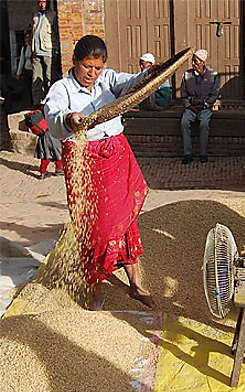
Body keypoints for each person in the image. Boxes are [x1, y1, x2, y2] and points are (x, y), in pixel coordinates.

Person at [44, 35, 153, 310]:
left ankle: (136, 284)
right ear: (75, 62)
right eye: (86, 67)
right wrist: (71, 119)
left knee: (126, 220)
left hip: (116, 154)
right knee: (96, 226)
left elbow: (131, 83)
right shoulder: (62, 89)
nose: (92, 74)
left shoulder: (107, 80)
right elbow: (54, 118)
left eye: (97, 68)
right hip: (86, 161)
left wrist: (151, 73)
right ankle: (95, 288)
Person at [180, 49, 219, 164]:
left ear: (203, 62)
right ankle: (187, 154)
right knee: (184, 123)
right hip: (191, 107)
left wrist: (205, 105)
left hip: (205, 107)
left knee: (204, 124)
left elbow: (214, 94)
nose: (193, 64)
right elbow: (183, 94)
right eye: (193, 61)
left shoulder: (213, 75)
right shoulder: (187, 75)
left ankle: (203, 153)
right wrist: (189, 105)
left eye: (196, 62)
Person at [31, 0, 60, 106]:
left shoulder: (52, 15)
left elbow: (56, 34)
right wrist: (32, 49)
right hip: (36, 52)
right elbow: (32, 33)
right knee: (36, 78)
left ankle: (51, 103)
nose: (42, 4)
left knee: (49, 77)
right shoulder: (36, 16)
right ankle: (37, 103)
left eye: (44, 2)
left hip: (48, 51)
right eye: (39, 2)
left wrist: (56, 51)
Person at [16, 31, 33, 106]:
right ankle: (29, 103)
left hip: (34, 70)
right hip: (27, 70)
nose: (28, 40)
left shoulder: (35, 47)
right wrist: (18, 73)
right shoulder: (25, 48)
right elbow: (22, 61)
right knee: (28, 88)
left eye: (29, 38)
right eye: (26, 38)